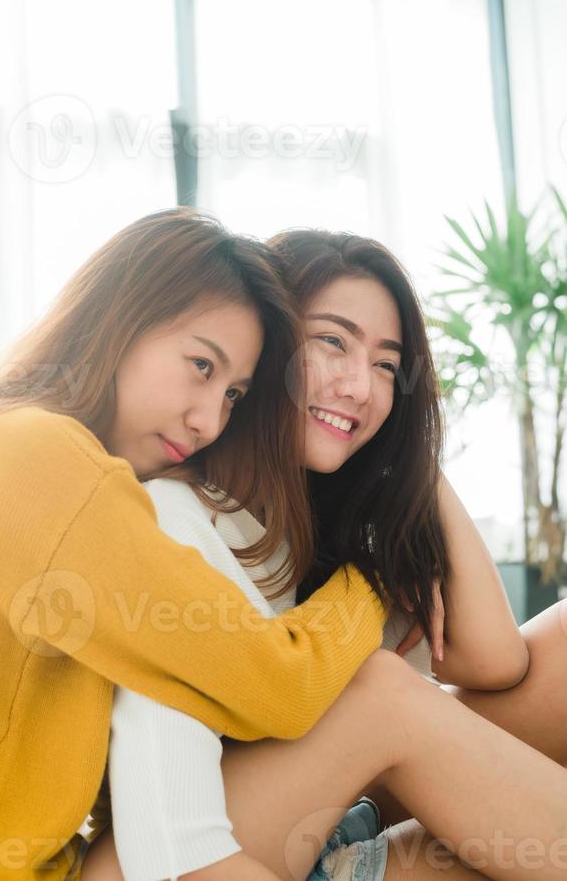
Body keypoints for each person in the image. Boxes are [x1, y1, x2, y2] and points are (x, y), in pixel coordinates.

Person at [0, 211, 393, 880]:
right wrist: (376, 580)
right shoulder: (34, 457)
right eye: (200, 365)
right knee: (389, 704)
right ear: (120, 320)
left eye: (233, 395)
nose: (208, 421)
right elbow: (283, 683)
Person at [81, 229, 567, 881]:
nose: (360, 387)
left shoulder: (308, 531)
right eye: (332, 342)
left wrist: (412, 455)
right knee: (381, 693)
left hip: (315, 827)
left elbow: (496, 660)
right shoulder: (175, 518)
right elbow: (170, 843)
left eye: (387, 366)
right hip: (174, 862)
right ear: (265, 346)